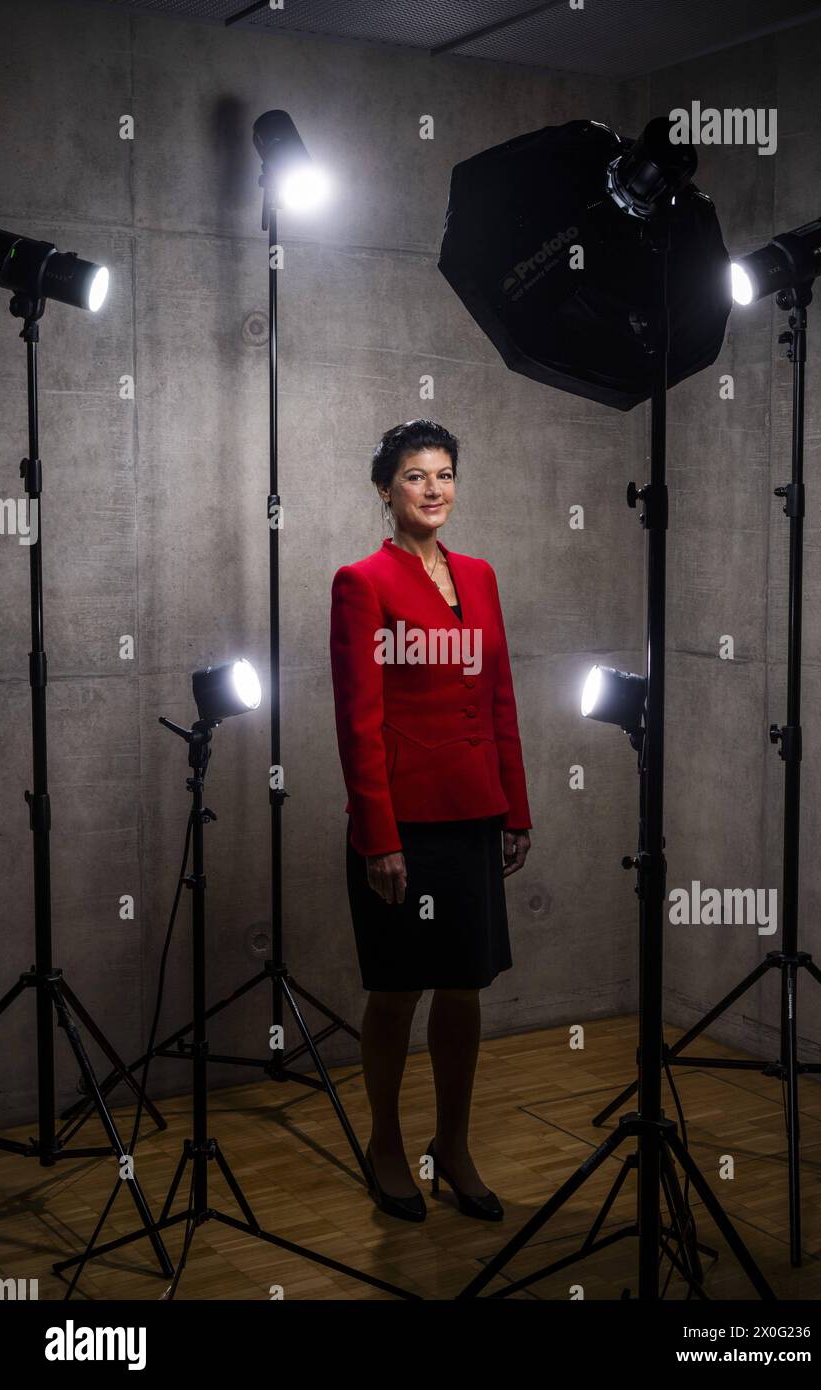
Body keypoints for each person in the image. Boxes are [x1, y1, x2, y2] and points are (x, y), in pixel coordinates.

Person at [329, 419, 532, 1222]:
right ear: (387, 490)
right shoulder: (361, 582)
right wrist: (377, 835)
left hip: (476, 812)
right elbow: (357, 720)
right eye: (416, 475)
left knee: (464, 984)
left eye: (445, 474)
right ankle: (386, 1143)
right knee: (396, 990)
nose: (435, 488)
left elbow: (501, 695)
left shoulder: (480, 576)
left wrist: (516, 804)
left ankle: (453, 1144)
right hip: (402, 824)